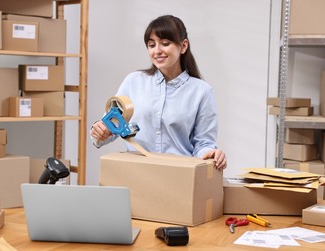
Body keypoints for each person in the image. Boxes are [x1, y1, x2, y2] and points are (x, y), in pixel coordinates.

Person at [90, 15, 227, 170]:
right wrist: (100, 131)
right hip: (136, 172)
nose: (157, 51)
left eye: (165, 43)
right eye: (151, 45)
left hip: (179, 175)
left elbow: (203, 143)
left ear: (183, 46)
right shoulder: (133, 82)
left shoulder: (202, 92)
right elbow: (112, 125)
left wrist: (211, 154)